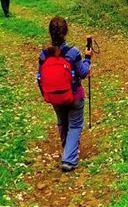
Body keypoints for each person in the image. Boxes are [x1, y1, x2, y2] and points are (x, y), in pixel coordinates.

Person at [37, 16, 92, 172]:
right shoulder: (73, 52)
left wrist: (45, 93)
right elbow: (82, 73)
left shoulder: (44, 54)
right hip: (74, 95)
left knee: (63, 123)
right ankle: (68, 159)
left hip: (54, 96)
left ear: (50, 33)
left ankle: (68, 149)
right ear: (66, 32)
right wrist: (88, 58)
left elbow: (39, 77)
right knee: (75, 125)